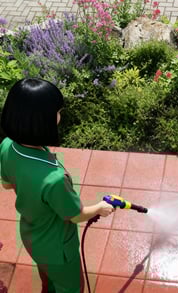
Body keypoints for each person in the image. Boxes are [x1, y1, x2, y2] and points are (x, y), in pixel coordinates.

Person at [0, 78, 115, 293]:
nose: (59, 115)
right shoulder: (54, 178)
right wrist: (99, 208)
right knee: (71, 287)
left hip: (31, 235)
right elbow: (76, 215)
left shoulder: (7, 146)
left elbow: (7, 184)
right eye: (57, 111)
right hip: (58, 248)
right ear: (40, 121)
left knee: (48, 278)